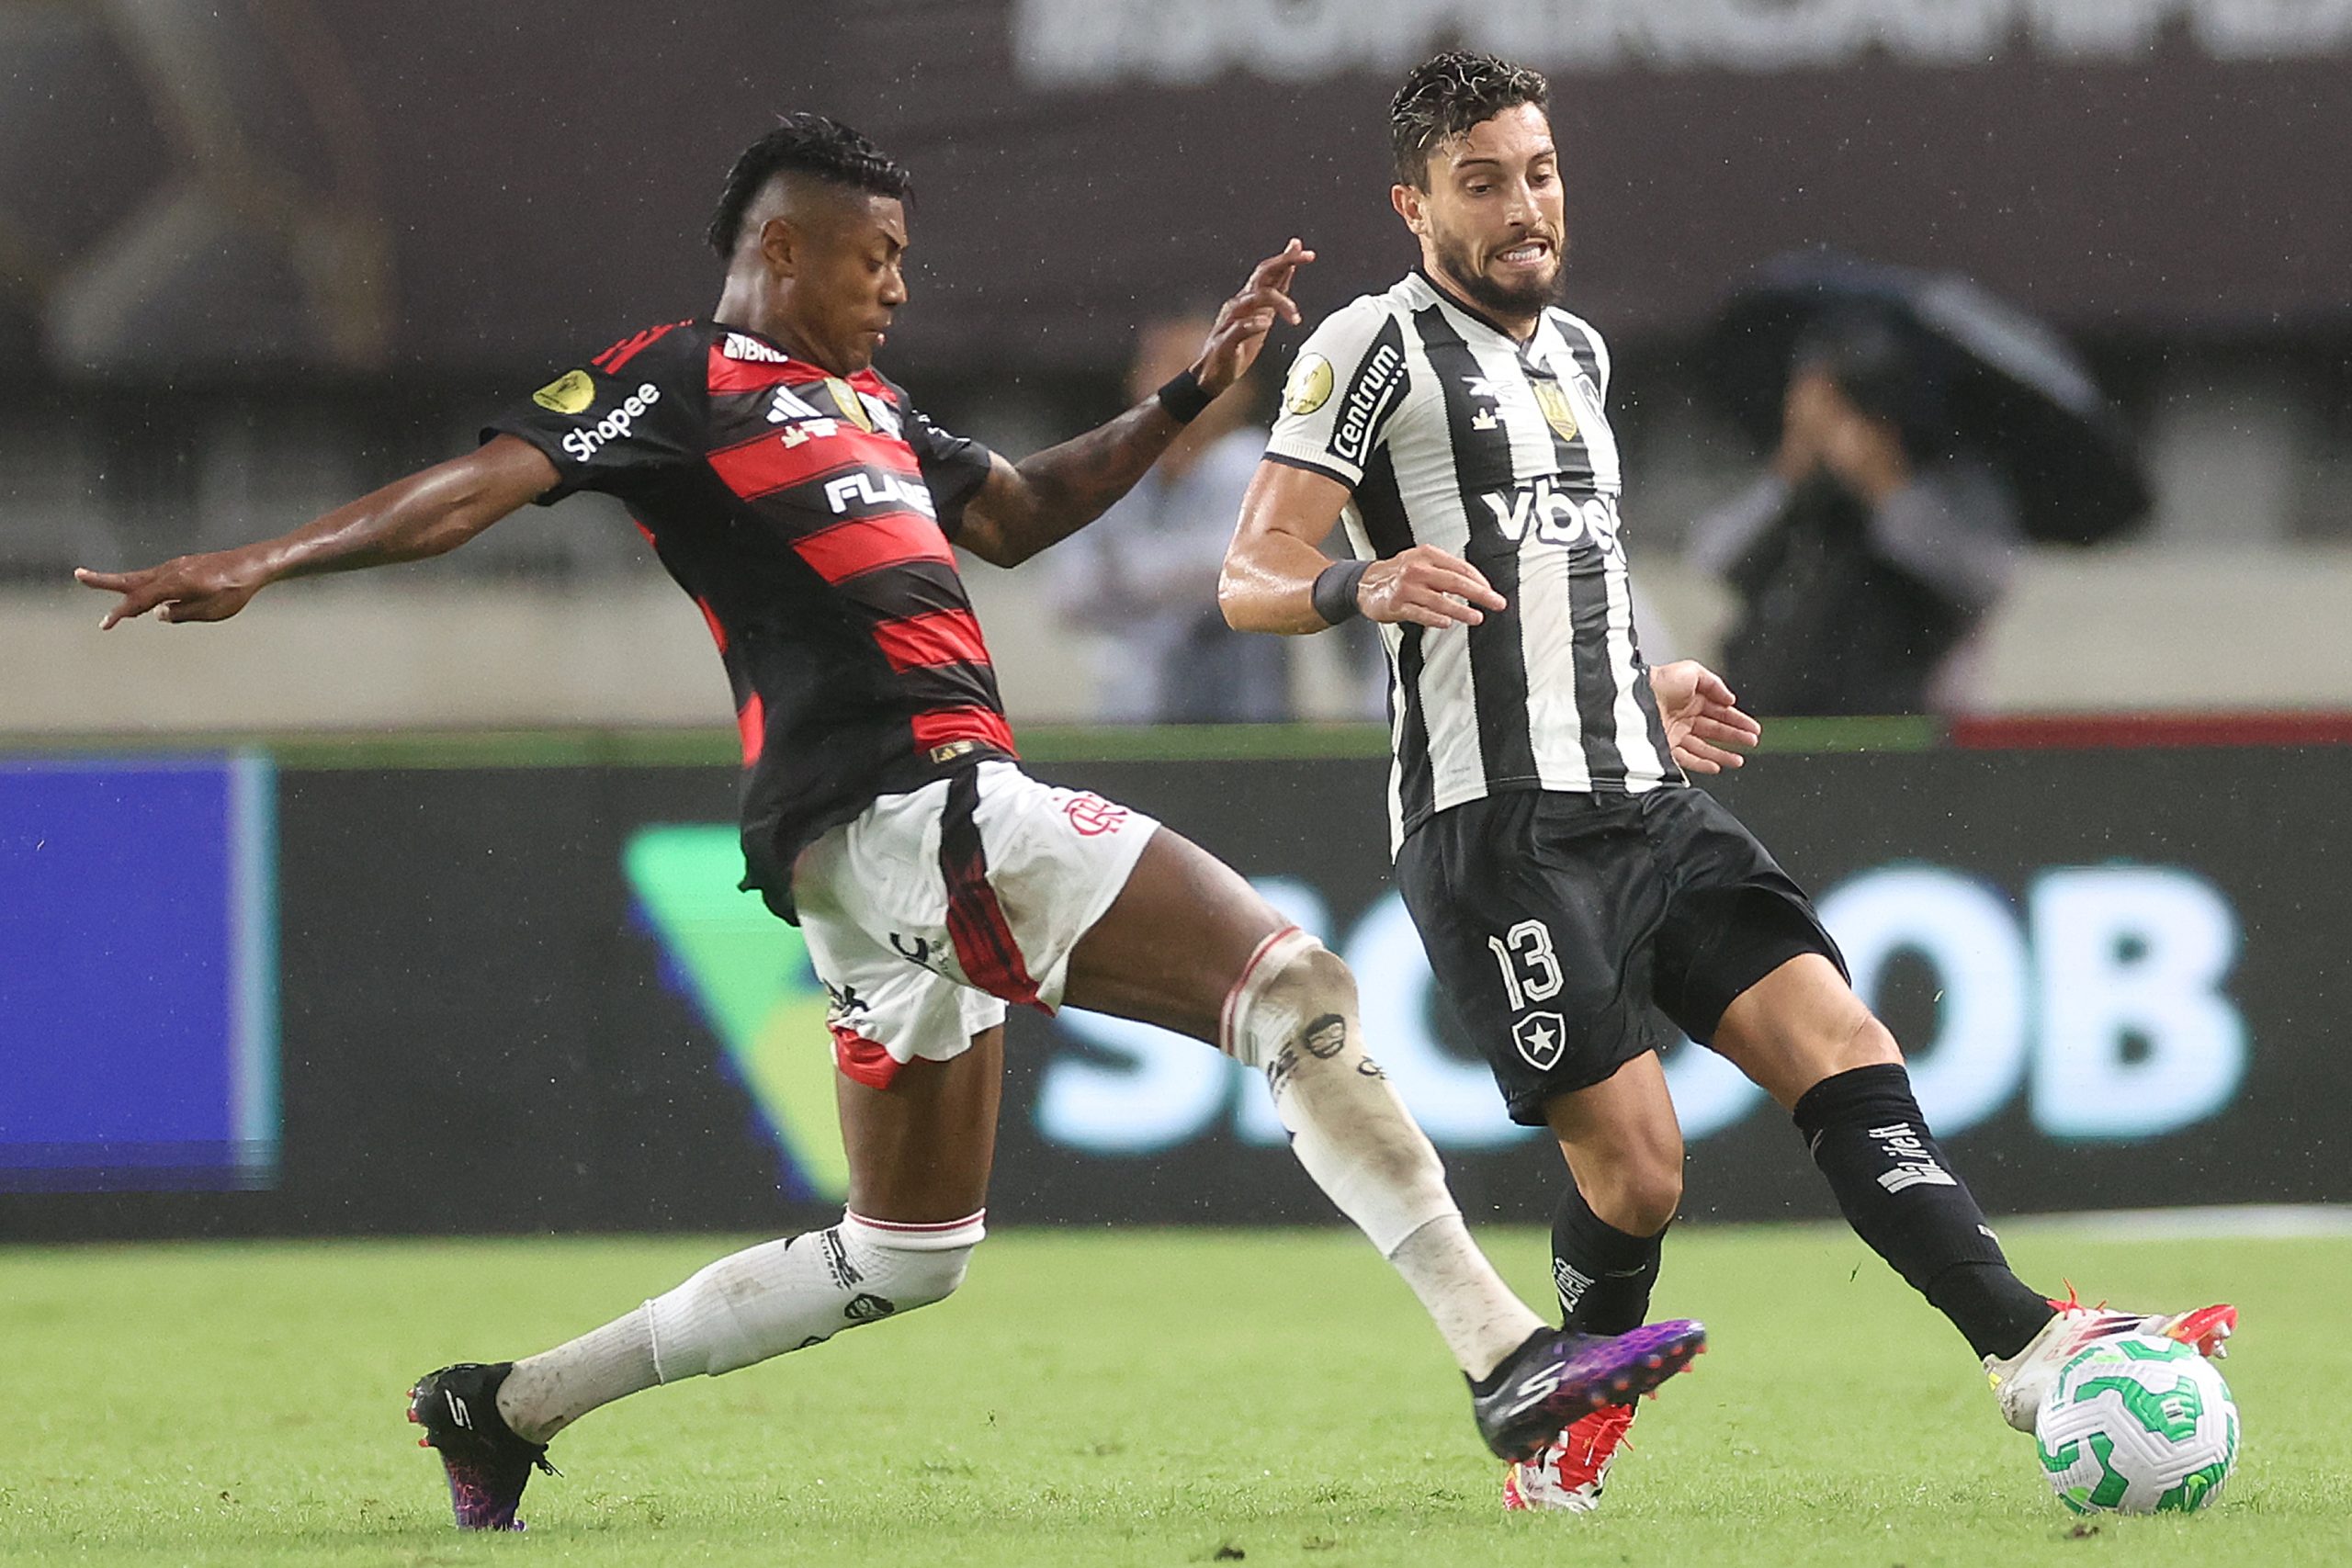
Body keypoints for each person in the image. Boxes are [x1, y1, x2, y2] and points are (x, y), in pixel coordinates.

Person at [75, 113, 1708, 1533]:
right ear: (782, 245)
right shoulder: (682, 378)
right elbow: (484, 481)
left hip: (882, 857)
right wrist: (263, 563)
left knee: (905, 1249)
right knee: (1291, 990)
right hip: (910, 806)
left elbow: (1019, 511)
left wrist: (1194, 393)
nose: (903, 283)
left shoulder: (874, 409)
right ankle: (1509, 1357)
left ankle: (505, 1407)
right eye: (881, 254)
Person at [1218, 53, 2234, 1515]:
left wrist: (1653, 675)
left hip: (1644, 790)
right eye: (1482, 181)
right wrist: (1359, 578)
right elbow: (1248, 569)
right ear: (1415, 203)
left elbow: (1585, 567)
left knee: (1841, 1035)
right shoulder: (1371, 344)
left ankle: (2031, 1345)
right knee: (1640, 1173)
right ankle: (1567, 1406)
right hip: (1497, 822)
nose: (1524, 205)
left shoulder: (1578, 352)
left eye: (1540, 170)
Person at [1688, 305, 2023, 716]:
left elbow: (1983, 582)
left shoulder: (1955, 476)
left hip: (1904, 719)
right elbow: (1711, 559)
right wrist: (1790, 474)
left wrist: (1888, 488)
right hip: (1775, 715)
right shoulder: (1796, 478)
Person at [1044, 313, 1292, 721]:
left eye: (1199, 366)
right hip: (1132, 712)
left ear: (1244, 387)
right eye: (1164, 366)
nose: (1183, 383)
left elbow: (1234, 569)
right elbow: (1067, 594)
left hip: (1240, 719)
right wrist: (1161, 578)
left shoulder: (1255, 460)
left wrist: (1128, 577)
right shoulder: (1115, 468)